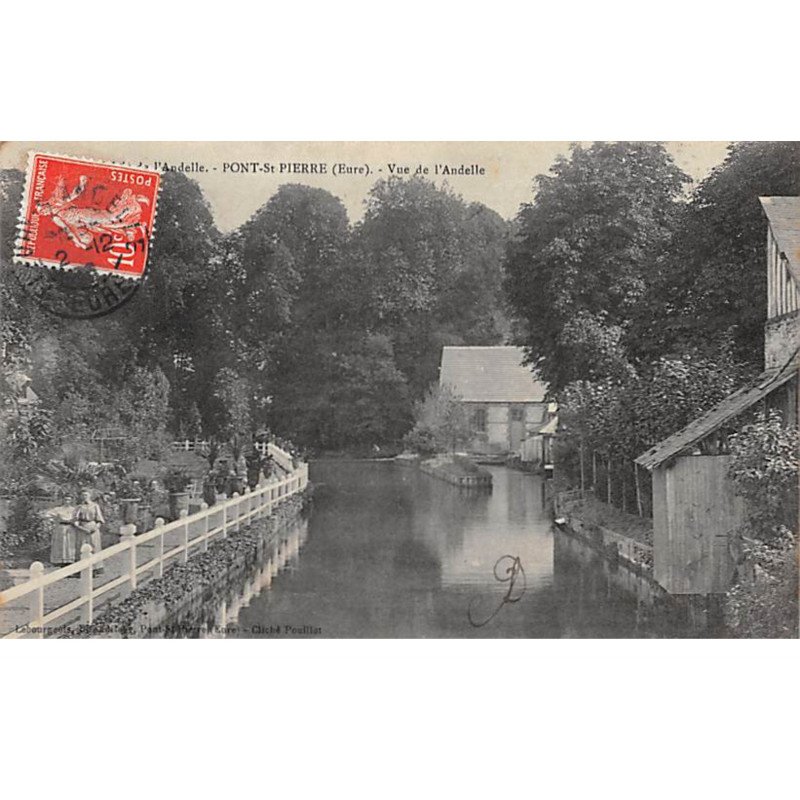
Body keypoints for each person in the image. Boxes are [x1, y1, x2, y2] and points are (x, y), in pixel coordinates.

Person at [73, 488, 105, 576]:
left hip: (93, 527)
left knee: (94, 546)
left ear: (90, 496)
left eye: (86, 495)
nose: (84, 497)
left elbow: (99, 519)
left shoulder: (95, 506)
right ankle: (81, 568)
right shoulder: (79, 507)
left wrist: (95, 528)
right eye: (83, 495)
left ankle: (96, 568)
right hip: (82, 528)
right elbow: (75, 520)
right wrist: (80, 527)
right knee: (82, 547)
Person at [48, 494, 77, 566]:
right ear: (63, 500)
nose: (67, 501)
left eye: (69, 500)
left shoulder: (74, 510)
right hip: (61, 527)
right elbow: (48, 515)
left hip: (70, 527)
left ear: (71, 501)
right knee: (61, 543)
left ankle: (70, 559)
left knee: (70, 544)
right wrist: (54, 520)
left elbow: (78, 518)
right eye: (66, 500)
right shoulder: (58, 509)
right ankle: (60, 560)